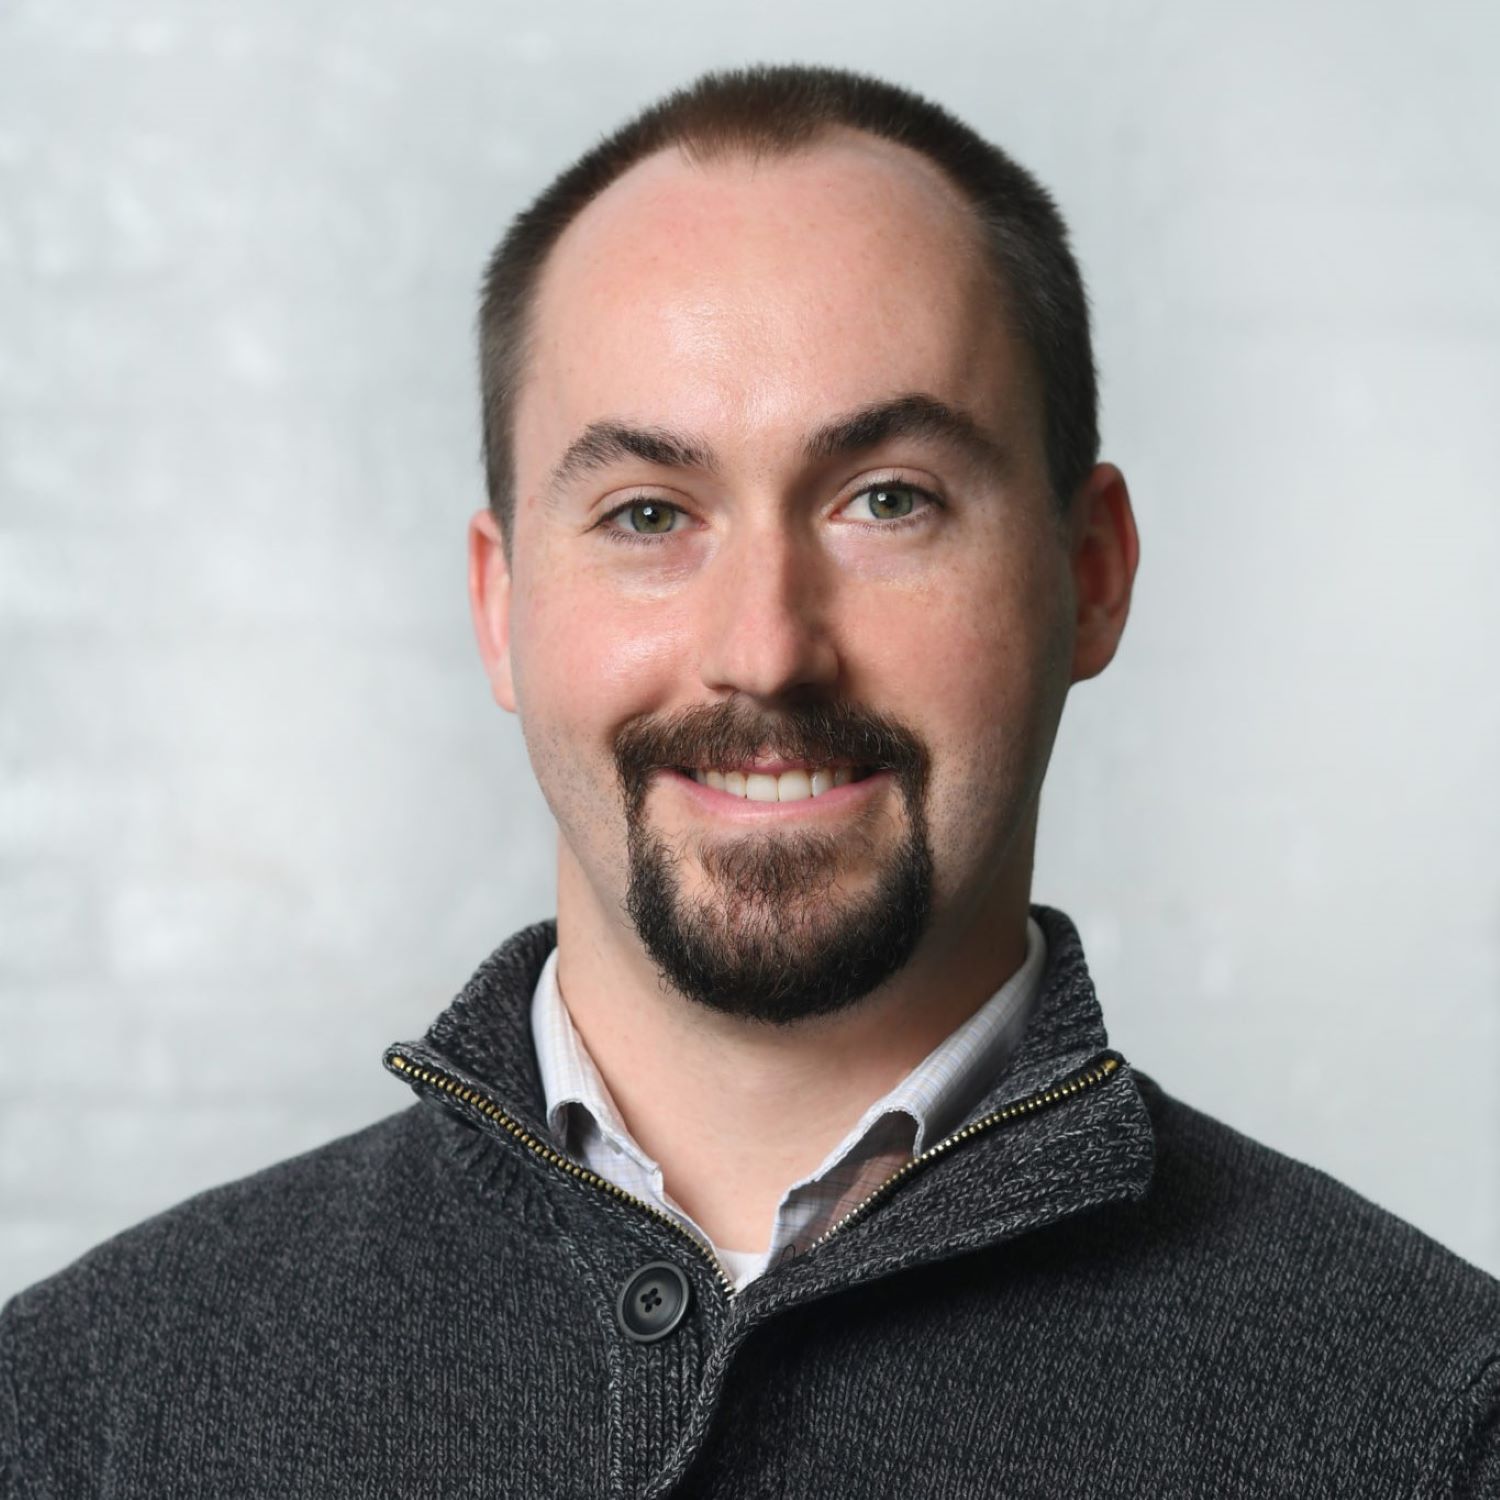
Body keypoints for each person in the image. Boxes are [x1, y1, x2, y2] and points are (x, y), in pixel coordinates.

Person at [2, 62, 1496, 1499]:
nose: (766, 652)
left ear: (1090, 574)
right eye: (649, 514)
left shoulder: (1436, 1425)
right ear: (500, 607)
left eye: (888, 501)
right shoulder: (81, 1413)